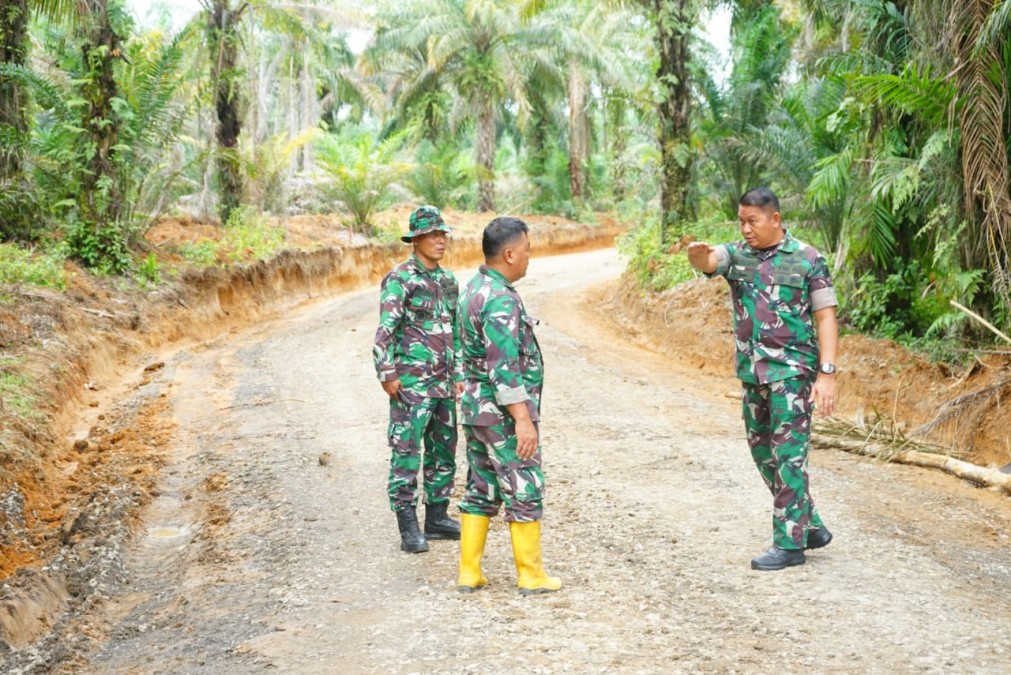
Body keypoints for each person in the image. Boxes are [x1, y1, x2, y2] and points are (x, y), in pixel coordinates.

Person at [686, 187, 838, 571]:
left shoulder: (808, 259)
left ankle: (789, 545)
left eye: (752, 221)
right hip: (753, 373)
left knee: (788, 455)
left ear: (775, 219)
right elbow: (712, 260)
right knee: (761, 452)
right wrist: (700, 258)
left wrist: (827, 374)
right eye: (741, 221)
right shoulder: (738, 255)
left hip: (793, 372)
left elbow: (826, 317)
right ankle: (811, 526)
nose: (746, 228)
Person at [455, 217, 562, 595]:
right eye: (528, 250)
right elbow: (503, 368)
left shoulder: (473, 288)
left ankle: (469, 571)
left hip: (475, 410)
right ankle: (530, 575)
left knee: (481, 487)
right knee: (525, 487)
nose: (530, 258)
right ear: (510, 253)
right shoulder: (499, 298)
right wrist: (523, 420)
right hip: (501, 415)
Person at [373, 205, 463, 554]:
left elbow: (453, 330)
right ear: (416, 239)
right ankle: (408, 525)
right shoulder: (400, 278)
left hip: (442, 383)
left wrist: (457, 373)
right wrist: (387, 373)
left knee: (444, 450)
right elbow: (386, 331)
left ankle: (437, 517)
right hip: (411, 383)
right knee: (407, 452)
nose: (441, 240)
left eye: (443, 234)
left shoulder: (447, 280)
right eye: (433, 235)